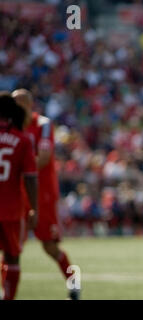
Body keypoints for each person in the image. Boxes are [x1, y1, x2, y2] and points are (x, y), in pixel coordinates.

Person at [12, 89, 80, 300]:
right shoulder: (10, 127)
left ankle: (73, 282)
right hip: (17, 193)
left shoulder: (43, 124)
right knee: (11, 247)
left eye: (20, 104)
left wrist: (17, 166)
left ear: (29, 105)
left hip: (43, 193)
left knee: (49, 246)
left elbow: (43, 157)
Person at [0, 92, 38, 300]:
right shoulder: (22, 140)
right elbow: (31, 177)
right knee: (12, 257)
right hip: (11, 209)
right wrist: (34, 208)